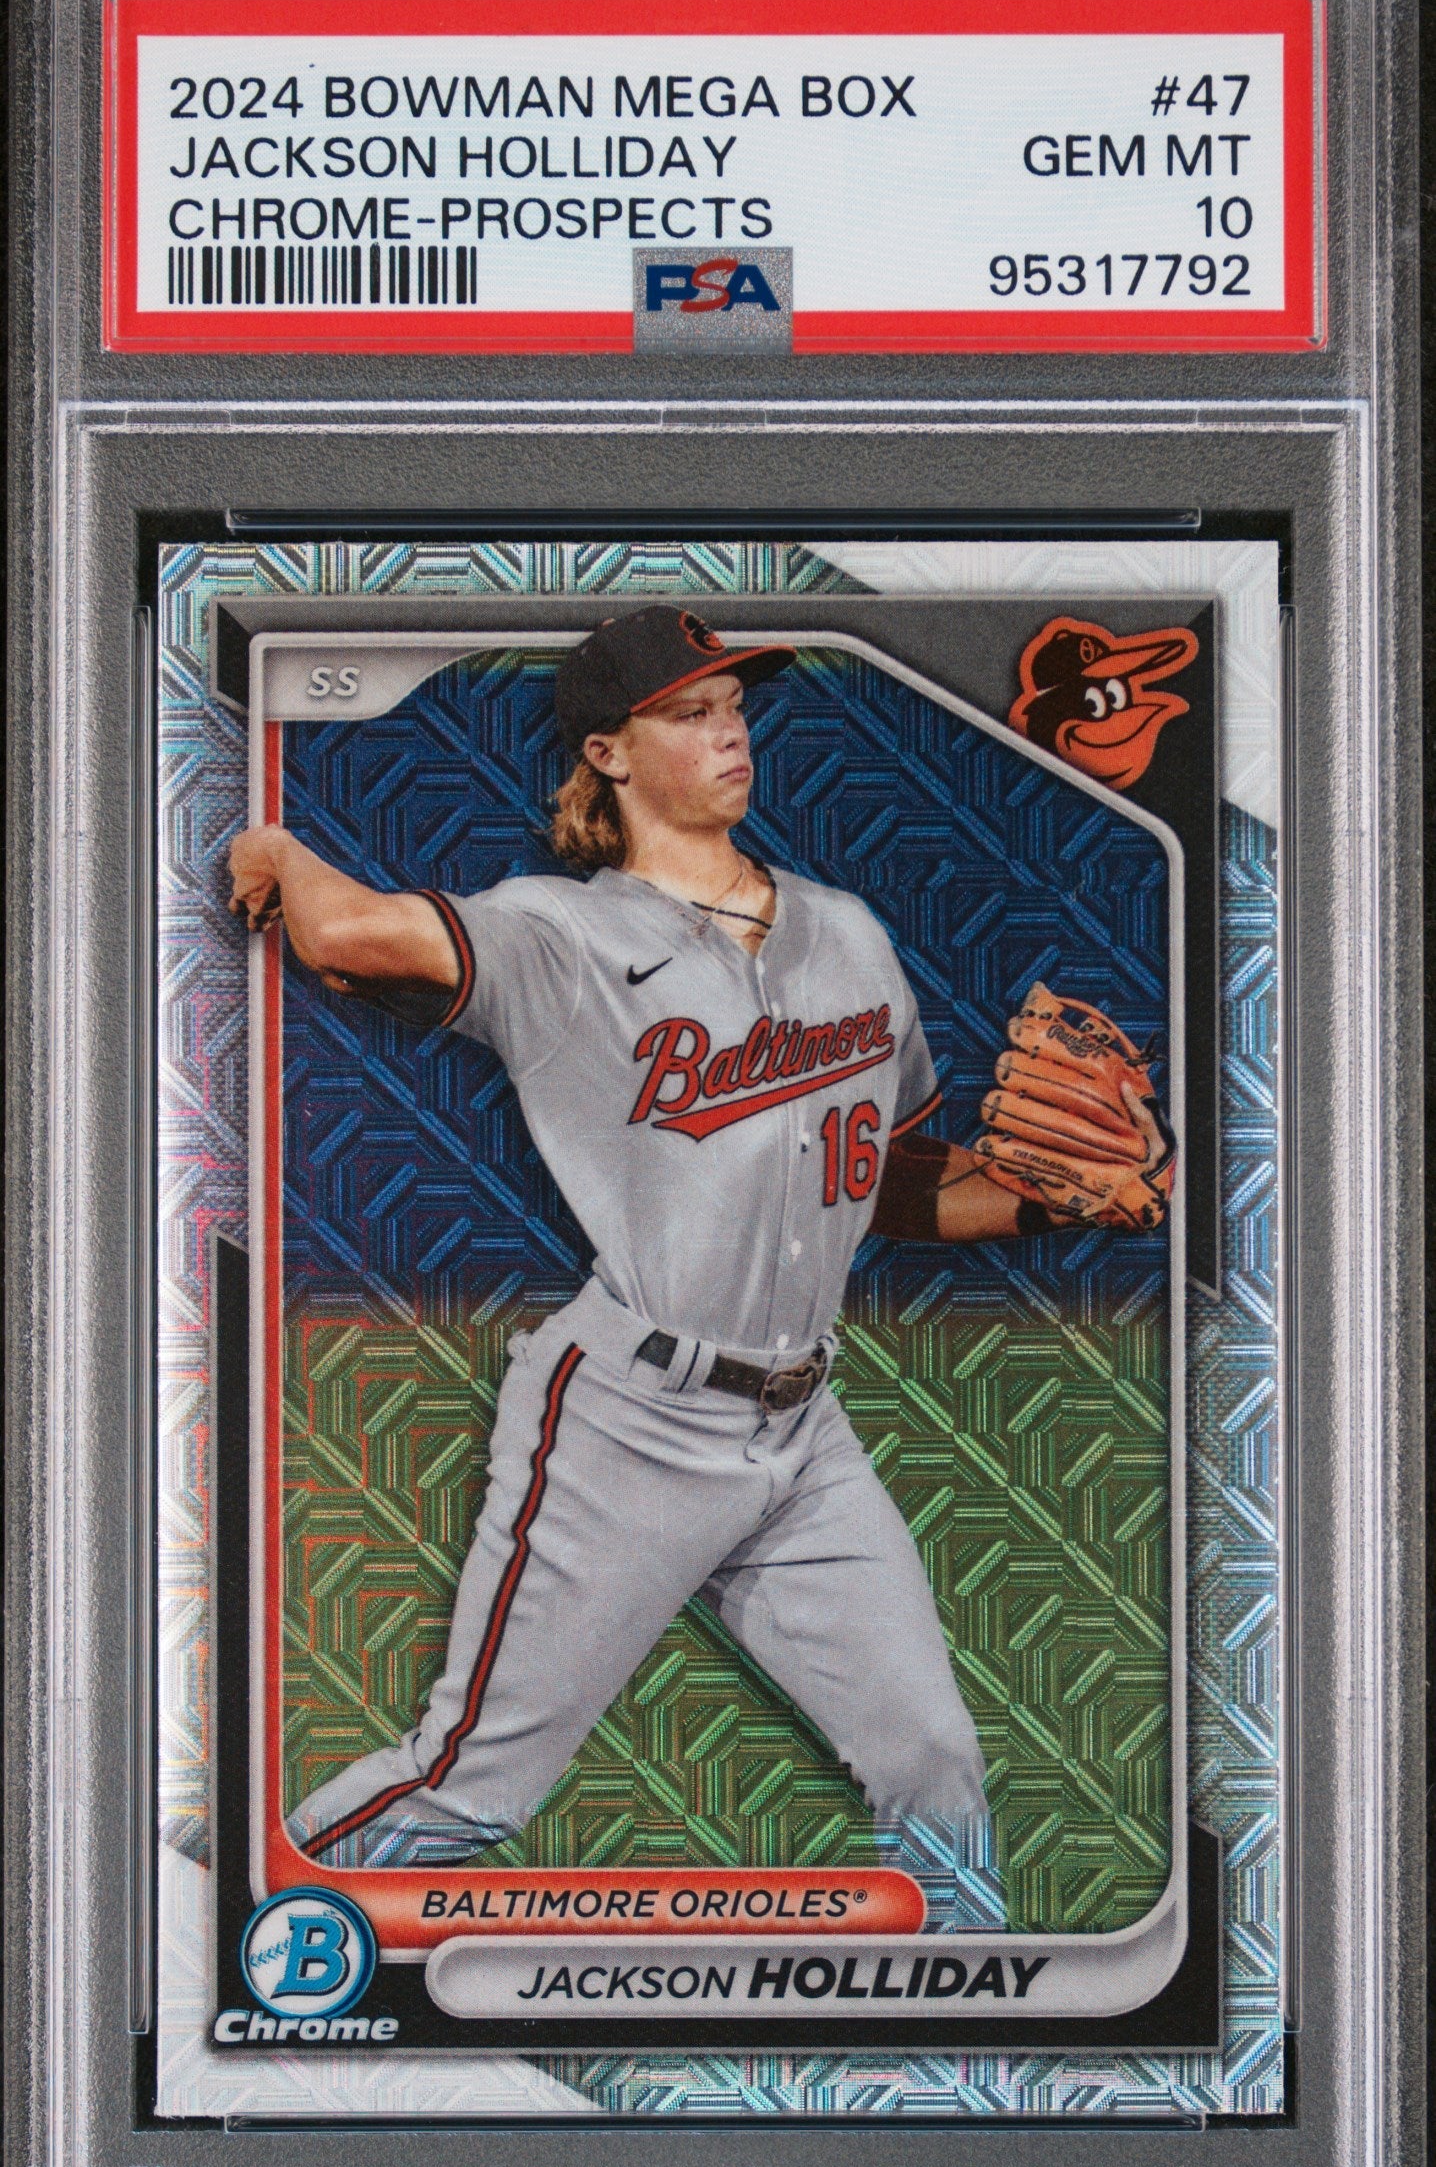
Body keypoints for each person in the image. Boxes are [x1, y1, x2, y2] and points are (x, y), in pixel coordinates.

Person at [228, 605, 1170, 1915]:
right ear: (608, 754)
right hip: (629, 1425)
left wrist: (1051, 1204)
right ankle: (239, 1923)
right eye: (689, 713)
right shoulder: (557, 937)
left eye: (734, 707)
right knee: (470, 1786)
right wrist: (282, 851)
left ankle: (964, 2006)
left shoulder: (848, 934)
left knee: (932, 1757)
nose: (729, 732)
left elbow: (893, 1185)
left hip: (804, 1434)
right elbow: (347, 935)